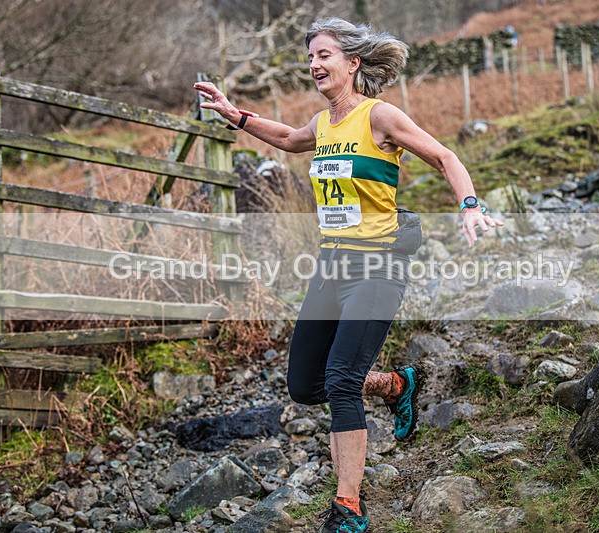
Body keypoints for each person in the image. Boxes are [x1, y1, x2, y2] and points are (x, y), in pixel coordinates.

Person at [194, 17, 502, 533]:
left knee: (339, 381)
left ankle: (349, 508)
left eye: (324, 55)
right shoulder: (322, 124)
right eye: (310, 57)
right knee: (303, 385)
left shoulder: (379, 116)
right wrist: (234, 115)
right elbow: (292, 139)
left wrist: (469, 205)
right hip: (332, 265)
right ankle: (394, 383)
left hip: (378, 265)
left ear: (353, 63)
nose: (314, 64)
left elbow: (444, 156)